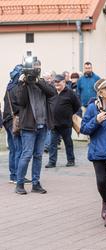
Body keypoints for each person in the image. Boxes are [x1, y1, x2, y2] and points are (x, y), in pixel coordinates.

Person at [80, 78, 106, 227]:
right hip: (98, 150)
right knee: (101, 181)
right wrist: (96, 120)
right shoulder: (92, 108)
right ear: (100, 93)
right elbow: (83, 129)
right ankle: (105, 201)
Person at [15, 60, 56, 195]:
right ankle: (19, 184)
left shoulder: (42, 82)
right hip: (29, 126)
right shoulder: (24, 84)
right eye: (33, 68)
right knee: (26, 155)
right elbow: (20, 102)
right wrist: (23, 83)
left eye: (37, 67)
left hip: (42, 125)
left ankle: (35, 184)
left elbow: (52, 93)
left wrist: (38, 81)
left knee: (38, 155)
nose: (35, 70)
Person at [45, 74, 81, 168]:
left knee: (68, 143)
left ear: (64, 82)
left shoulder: (70, 93)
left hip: (66, 123)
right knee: (52, 144)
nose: (56, 84)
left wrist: (69, 114)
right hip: (54, 123)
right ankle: (52, 162)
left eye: (58, 82)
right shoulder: (52, 92)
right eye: (55, 82)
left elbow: (77, 105)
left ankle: (71, 160)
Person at [2, 64, 24, 184]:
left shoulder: (9, 86)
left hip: (7, 120)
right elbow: (19, 105)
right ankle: (17, 176)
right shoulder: (17, 87)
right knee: (18, 149)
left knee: (13, 149)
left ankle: (13, 175)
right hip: (14, 121)